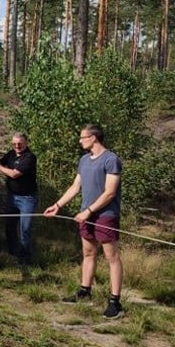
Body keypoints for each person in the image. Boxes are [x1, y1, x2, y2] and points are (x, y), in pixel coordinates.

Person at [44, 124, 124, 319]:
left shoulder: (111, 160)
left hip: (105, 215)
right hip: (86, 214)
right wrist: (57, 205)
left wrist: (88, 211)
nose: (80, 141)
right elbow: (75, 186)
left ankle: (115, 302)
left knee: (111, 257)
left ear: (94, 138)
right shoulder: (83, 160)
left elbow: (110, 192)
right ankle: (84, 291)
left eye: (83, 137)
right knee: (88, 253)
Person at [0, 133, 38, 266]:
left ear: (26, 143)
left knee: (25, 229)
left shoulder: (29, 157)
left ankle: (25, 259)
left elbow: (14, 174)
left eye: (20, 143)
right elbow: (1, 163)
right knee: (9, 226)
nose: (17, 146)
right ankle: (12, 253)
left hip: (27, 199)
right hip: (12, 197)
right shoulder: (11, 154)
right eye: (14, 144)